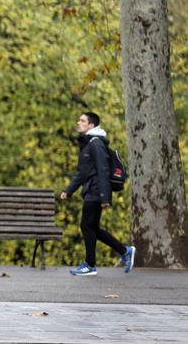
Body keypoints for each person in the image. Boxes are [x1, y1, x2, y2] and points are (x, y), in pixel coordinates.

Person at [61, 112, 136, 276]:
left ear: (91, 125)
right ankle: (125, 251)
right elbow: (82, 172)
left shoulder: (96, 143)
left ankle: (90, 264)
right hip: (91, 190)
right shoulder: (88, 144)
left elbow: (103, 170)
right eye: (78, 119)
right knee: (93, 228)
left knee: (86, 226)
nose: (78, 122)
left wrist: (105, 197)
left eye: (82, 120)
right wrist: (69, 191)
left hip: (96, 191)